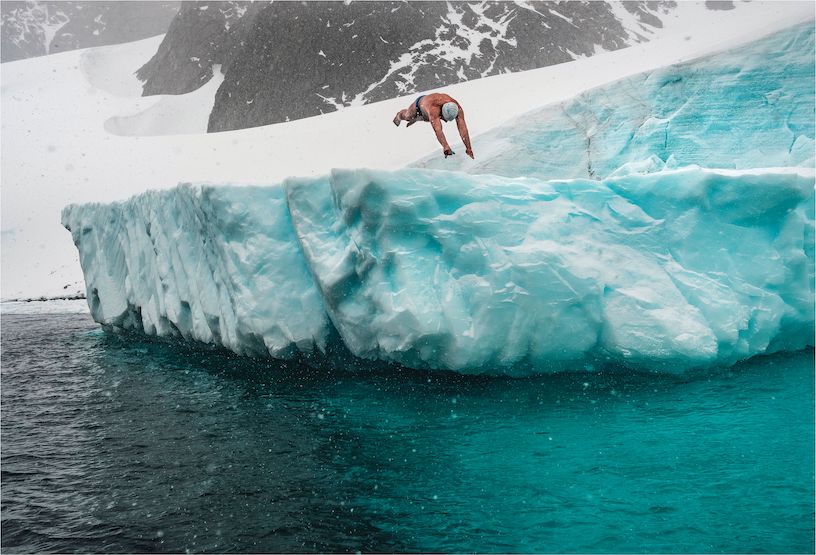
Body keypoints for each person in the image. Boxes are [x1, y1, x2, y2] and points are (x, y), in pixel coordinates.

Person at [393, 93, 474, 159]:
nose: (445, 121)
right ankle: (399, 115)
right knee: (407, 117)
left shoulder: (457, 108)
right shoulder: (434, 109)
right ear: (441, 112)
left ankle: (416, 119)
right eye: (443, 118)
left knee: (427, 118)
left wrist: (468, 148)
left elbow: (463, 129)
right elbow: (438, 130)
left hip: (427, 110)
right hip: (418, 107)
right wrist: (445, 146)